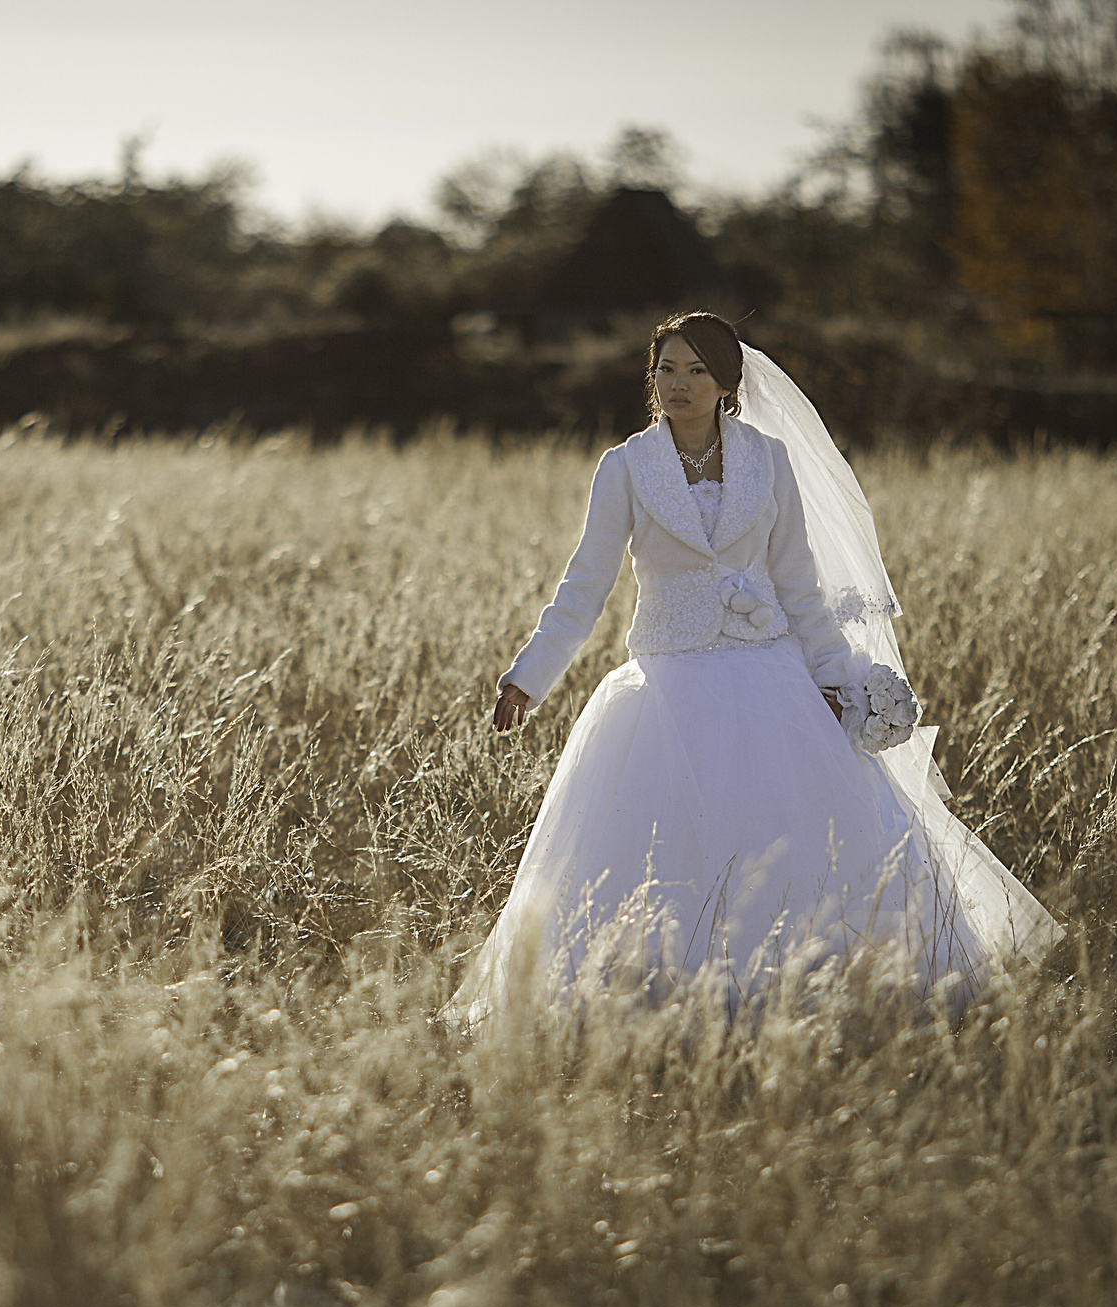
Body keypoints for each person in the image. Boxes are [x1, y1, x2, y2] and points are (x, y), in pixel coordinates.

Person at [453, 312, 1057, 1026]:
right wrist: (529, 674)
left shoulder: (767, 458)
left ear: (726, 383)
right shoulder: (625, 466)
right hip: (667, 686)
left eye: (696, 371)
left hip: (771, 679)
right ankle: (664, 1009)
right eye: (666, 370)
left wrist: (839, 679)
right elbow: (585, 586)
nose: (678, 385)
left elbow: (800, 582)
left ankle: (814, 996)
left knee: (794, 848)